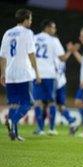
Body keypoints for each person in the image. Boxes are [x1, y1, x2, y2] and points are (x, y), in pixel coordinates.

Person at [0, 9, 41, 141]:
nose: (31, 21)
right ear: (25, 19)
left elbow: (2, 56)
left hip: (10, 74)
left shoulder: (7, 33)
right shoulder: (28, 33)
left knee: (14, 104)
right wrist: (37, 72)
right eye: (30, 18)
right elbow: (31, 54)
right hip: (24, 73)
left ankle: (14, 134)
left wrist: (2, 73)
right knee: (28, 102)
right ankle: (12, 121)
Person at [33, 20, 72, 135]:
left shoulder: (33, 38)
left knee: (38, 102)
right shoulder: (53, 40)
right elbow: (62, 58)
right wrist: (69, 51)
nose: (54, 30)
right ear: (47, 28)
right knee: (51, 102)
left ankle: (40, 129)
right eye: (53, 28)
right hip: (50, 74)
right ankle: (52, 128)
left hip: (36, 74)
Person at [53, 36, 78, 135]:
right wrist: (70, 51)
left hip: (56, 83)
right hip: (62, 83)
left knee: (48, 104)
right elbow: (64, 59)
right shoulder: (61, 57)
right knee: (60, 106)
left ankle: (48, 128)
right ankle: (72, 121)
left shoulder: (55, 57)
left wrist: (70, 51)